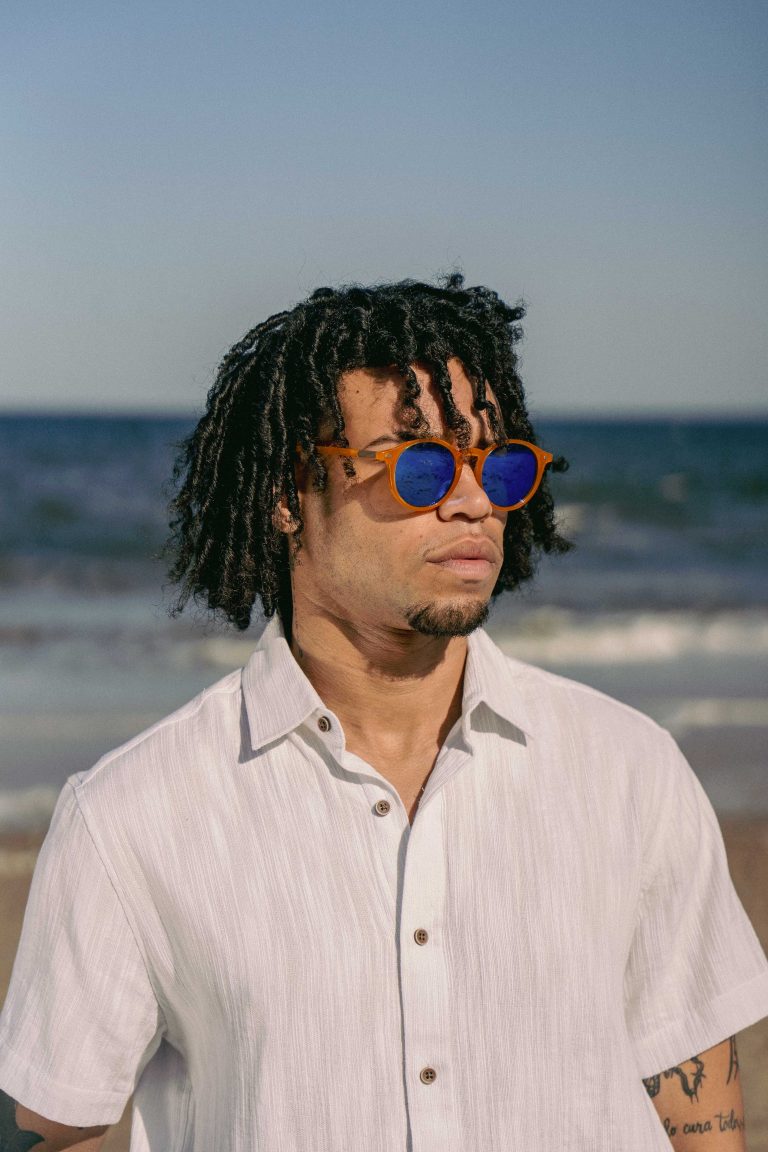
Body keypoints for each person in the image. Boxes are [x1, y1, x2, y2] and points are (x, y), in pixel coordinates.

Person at [1, 275, 767, 1151]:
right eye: (422, 466)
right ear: (288, 493)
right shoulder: (131, 817)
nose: (473, 502)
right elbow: (58, 1125)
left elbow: (698, 1112)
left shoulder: (630, 770)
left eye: (496, 466)